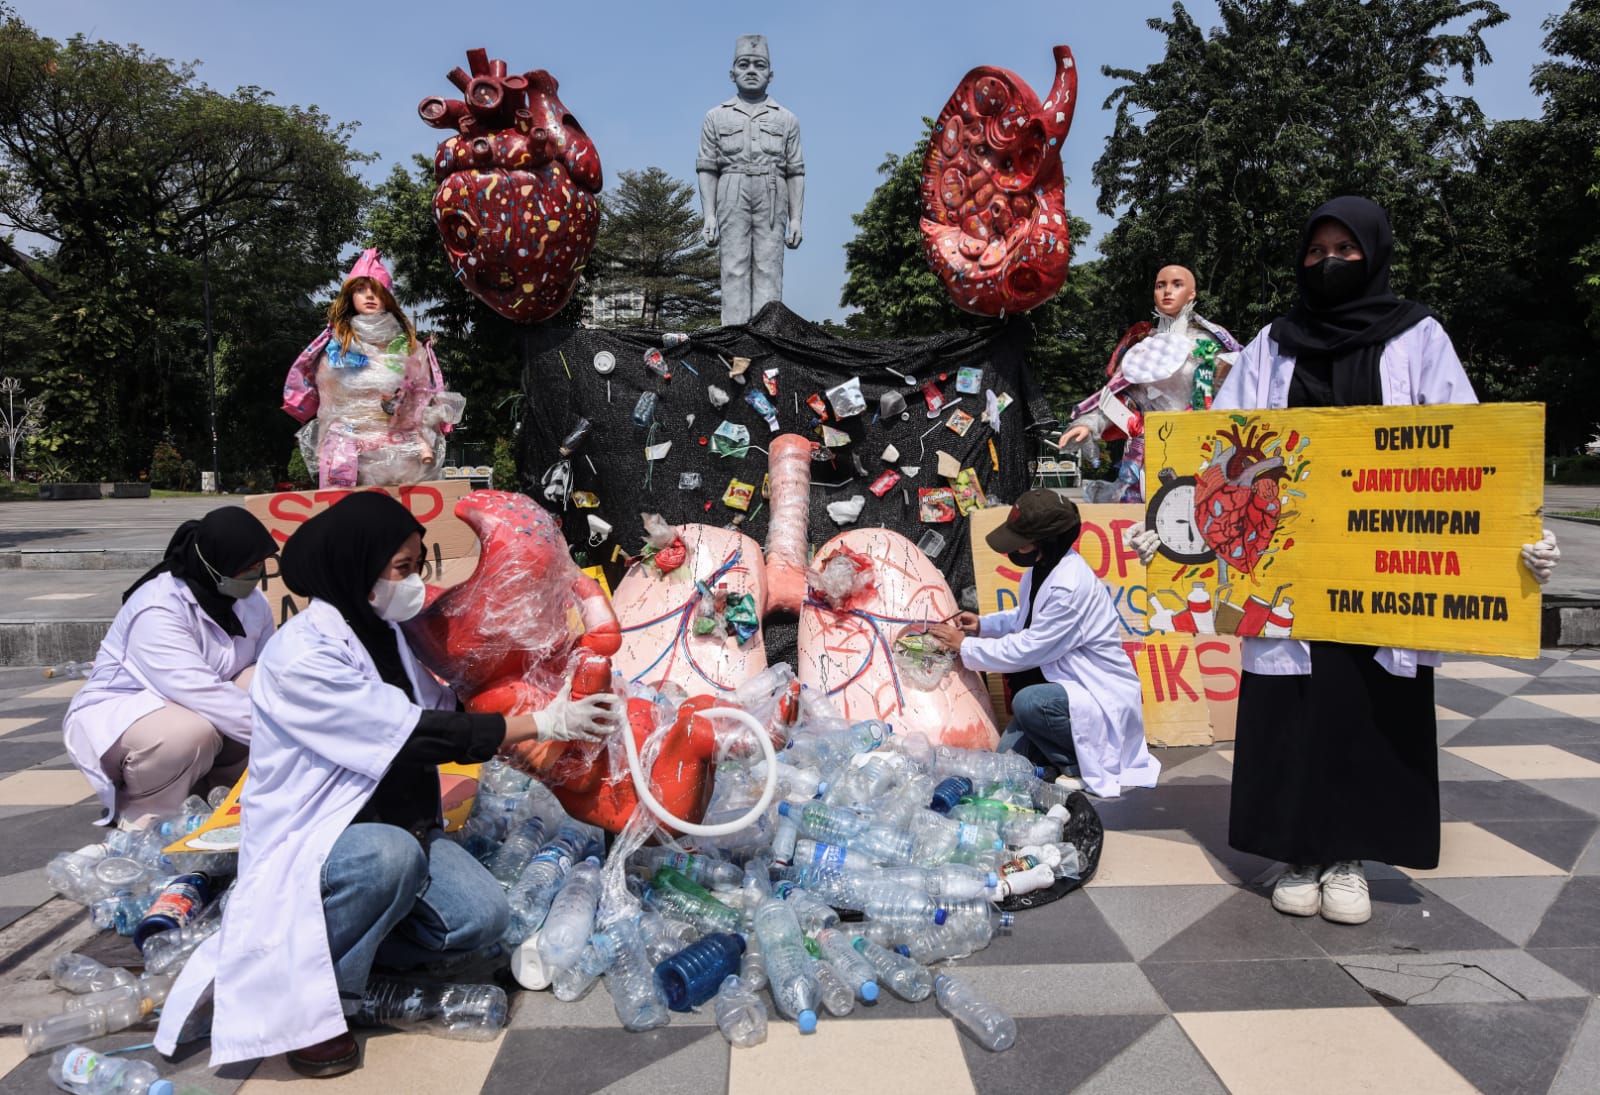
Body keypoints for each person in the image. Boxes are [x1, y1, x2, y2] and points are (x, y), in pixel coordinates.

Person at [1129, 196, 1561, 925]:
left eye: (1345, 249)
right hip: (1285, 571)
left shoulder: (1418, 336)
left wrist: (1517, 537)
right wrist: (1172, 525)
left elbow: (1470, 447)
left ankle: (1349, 856)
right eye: (1316, 249)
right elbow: (1222, 447)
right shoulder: (1271, 344)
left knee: (1367, 707)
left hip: (1385, 571)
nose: (1328, 261)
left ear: (1374, 252)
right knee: (1290, 712)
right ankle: (1298, 852)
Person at [154, 492, 623, 1078]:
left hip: (398, 823)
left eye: (417, 566)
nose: (414, 583)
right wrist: (540, 723)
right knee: (388, 858)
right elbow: (411, 734)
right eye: (402, 568)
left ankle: (347, 947)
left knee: (482, 919)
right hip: (326, 838)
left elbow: (443, 709)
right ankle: (313, 1000)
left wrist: (532, 693)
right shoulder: (303, 654)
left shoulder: (384, 632)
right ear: (357, 565)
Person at [925, 489, 1160, 799]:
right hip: (1058, 682)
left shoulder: (1069, 586)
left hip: (1093, 690)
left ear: (1045, 542)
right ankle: (1053, 758)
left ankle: (1078, 765)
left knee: (1029, 703)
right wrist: (983, 625)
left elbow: (1031, 647)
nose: (1015, 549)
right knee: (1004, 764)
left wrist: (965, 646)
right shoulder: (1043, 569)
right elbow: (1027, 616)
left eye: (1022, 541)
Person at [63, 508, 278, 829]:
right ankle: (145, 814)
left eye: (260, 565)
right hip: (133, 714)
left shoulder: (251, 601)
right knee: (189, 733)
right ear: (213, 563)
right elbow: (200, 692)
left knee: (262, 684)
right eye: (246, 567)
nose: (255, 574)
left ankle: (220, 794)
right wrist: (291, 733)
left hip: (197, 704)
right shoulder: (158, 607)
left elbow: (269, 666)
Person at [281, 248, 464, 489]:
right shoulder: (336, 349)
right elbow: (329, 406)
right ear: (350, 296)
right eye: (360, 289)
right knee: (355, 507)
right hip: (349, 453)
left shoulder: (408, 348)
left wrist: (418, 434)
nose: (369, 296)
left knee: (400, 504)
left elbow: (420, 398)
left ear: (387, 297)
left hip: (400, 450)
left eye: (376, 291)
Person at [1060, 264, 1242, 502]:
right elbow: (1125, 399)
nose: (1167, 291)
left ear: (1192, 293)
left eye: (1177, 284)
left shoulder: (1208, 345)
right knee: (1148, 510)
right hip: (1148, 452)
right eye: (1160, 285)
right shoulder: (1143, 348)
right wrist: (1090, 423)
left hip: (1198, 445)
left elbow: (1227, 396)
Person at [697, 34, 805, 326]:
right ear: (732, 73)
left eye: (760, 65)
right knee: (733, 267)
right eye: (744, 64)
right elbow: (707, 168)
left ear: (771, 74)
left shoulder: (787, 119)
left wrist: (796, 219)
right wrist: (709, 215)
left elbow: (795, 171)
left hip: (773, 190)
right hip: (731, 188)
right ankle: (735, 341)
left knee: (769, 267)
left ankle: (766, 340)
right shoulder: (715, 117)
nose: (752, 70)